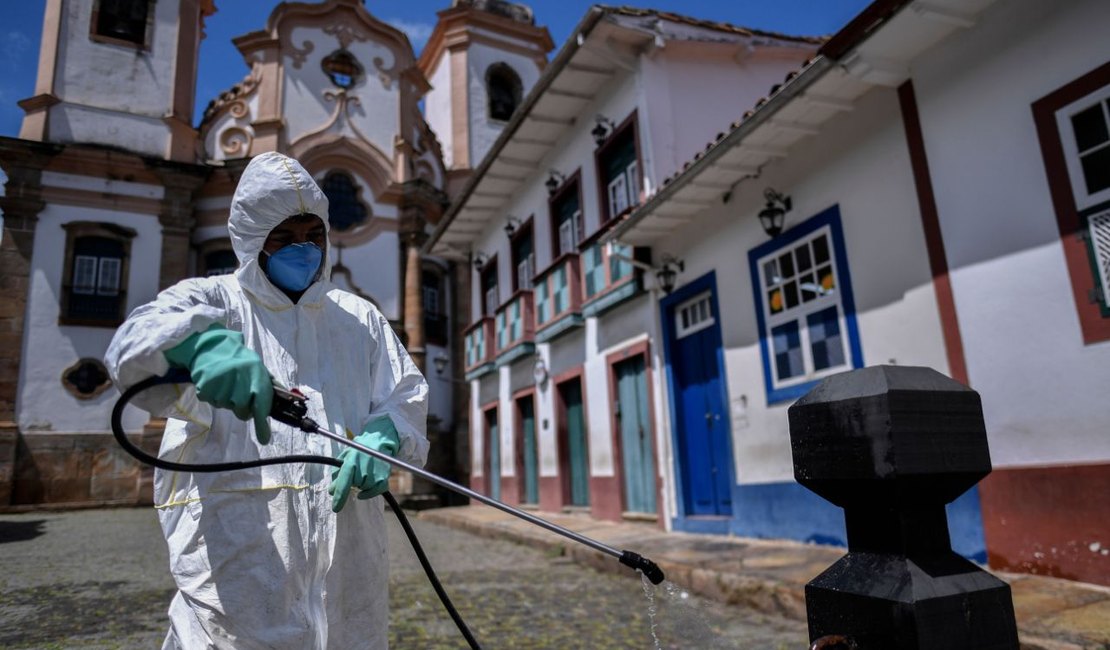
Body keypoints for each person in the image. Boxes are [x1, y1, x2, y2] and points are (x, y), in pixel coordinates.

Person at [105, 152, 429, 649]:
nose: (302, 248)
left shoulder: (357, 317)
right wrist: (197, 348)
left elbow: (405, 395)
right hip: (237, 569)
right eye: (283, 237)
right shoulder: (214, 302)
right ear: (253, 239)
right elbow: (132, 345)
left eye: (312, 234)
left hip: (349, 568)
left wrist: (383, 435)